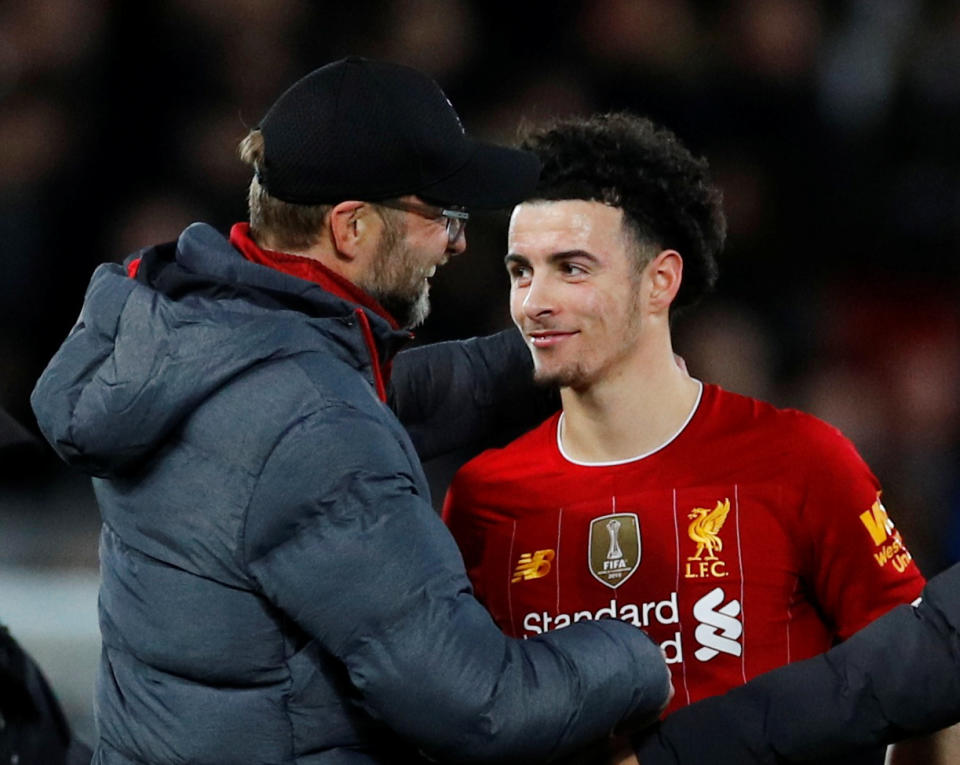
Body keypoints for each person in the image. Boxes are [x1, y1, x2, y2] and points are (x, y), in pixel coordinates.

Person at [30, 59, 672, 764]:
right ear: (352, 228)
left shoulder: (201, 332)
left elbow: (375, 398)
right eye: (441, 215)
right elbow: (482, 703)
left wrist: (549, 354)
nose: (458, 242)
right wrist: (644, 649)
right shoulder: (311, 423)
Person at [442, 112, 953, 763]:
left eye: (571, 268)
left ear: (660, 280)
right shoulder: (485, 498)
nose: (534, 301)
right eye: (521, 271)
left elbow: (929, 682)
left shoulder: (798, 460)